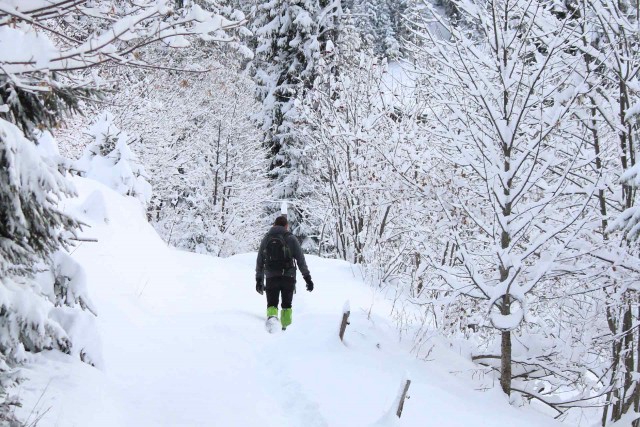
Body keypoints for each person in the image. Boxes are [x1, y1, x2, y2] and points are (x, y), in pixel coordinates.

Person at [255, 215, 313, 330]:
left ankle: (271, 330)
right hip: (288, 277)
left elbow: (260, 261)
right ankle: (285, 331)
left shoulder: (266, 238)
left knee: (272, 304)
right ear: (286, 226)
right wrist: (307, 278)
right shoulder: (291, 238)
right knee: (287, 305)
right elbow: (301, 260)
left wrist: (259, 279)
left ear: (274, 225)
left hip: (271, 277)